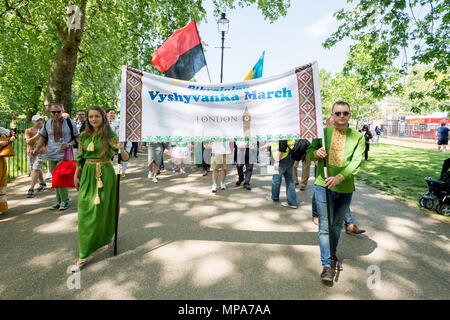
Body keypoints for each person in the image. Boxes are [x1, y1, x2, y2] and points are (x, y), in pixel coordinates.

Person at [307, 101, 365, 282]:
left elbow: (356, 163)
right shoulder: (322, 133)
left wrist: (339, 178)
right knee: (325, 226)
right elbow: (309, 152)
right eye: (337, 113)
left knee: (337, 224)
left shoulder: (358, 137)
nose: (341, 116)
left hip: (345, 188)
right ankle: (327, 264)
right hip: (322, 186)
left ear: (349, 115)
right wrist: (316, 153)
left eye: (345, 113)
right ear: (331, 115)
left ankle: (332, 254)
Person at [72, 106, 129, 271]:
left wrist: (121, 148)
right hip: (88, 173)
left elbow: (125, 158)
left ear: (103, 118)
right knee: (85, 211)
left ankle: (105, 237)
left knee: (103, 209)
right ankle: (85, 253)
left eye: (97, 116)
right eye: (90, 117)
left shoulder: (109, 135)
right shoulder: (83, 136)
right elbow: (80, 158)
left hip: (105, 173)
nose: (93, 119)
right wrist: (77, 174)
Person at [33, 104, 79, 211]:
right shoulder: (48, 123)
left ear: (62, 111)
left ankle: (65, 201)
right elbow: (43, 138)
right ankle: (58, 201)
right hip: (51, 154)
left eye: (58, 111)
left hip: (64, 154)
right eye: (54, 112)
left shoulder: (69, 122)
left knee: (61, 177)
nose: (56, 114)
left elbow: (77, 137)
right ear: (50, 112)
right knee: (55, 179)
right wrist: (37, 148)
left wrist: (69, 144)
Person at [265, 139, 298, 209]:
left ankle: (274, 197)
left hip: (282, 158)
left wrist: (277, 161)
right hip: (290, 157)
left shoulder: (282, 132)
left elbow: (282, 147)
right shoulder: (288, 130)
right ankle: (292, 202)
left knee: (276, 179)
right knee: (290, 179)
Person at [25, 115, 46, 198]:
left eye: (41, 120)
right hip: (30, 152)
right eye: (38, 120)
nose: (40, 122)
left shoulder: (45, 130)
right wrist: (37, 135)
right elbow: (28, 142)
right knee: (35, 169)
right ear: (33, 121)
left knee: (35, 169)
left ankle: (31, 188)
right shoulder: (28, 130)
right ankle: (42, 182)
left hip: (41, 152)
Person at [0, 126, 16, 215]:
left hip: (0, 160)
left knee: (1, 182)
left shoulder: (1, 130)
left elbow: (12, 134)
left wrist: (13, 137)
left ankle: (1, 207)